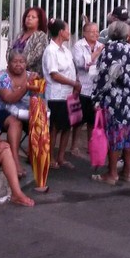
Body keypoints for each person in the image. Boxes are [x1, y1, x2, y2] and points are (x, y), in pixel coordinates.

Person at [91, 21, 130, 184]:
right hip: (129, 99)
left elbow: (102, 76)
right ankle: (127, 172)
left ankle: (112, 174)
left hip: (113, 99)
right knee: (127, 133)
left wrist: (96, 97)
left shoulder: (109, 50)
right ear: (126, 34)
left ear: (111, 34)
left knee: (113, 135)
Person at [0, 50, 39, 178]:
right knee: (15, 122)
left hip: (23, 111)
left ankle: (36, 157)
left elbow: (35, 97)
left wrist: (35, 86)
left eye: (22, 62)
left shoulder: (30, 75)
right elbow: (9, 98)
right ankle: (15, 162)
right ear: (8, 63)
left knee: (40, 120)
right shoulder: (2, 77)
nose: (19, 65)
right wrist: (27, 86)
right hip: (0, 110)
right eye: (15, 62)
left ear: (26, 63)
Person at [43, 18, 81, 169]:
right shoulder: (50, 51)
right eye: (67, 29)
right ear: (60, 32)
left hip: (69, 94)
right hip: (56, 95)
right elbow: (54, 75)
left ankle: (61, 157)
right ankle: (51, 157)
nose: (69, 32)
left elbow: (71, 70)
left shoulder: (66, 50)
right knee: (55, 127)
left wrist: (75, 83)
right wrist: (74, 83)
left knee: (67, 126)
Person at [72, 21, 104, 154]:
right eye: (92, 31)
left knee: (92, 119)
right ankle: (74, 146)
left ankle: (91, 145)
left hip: (95, 88)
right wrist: (96, 52)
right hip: (82, 87)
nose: (96, 34)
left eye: (97, 31)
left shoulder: (101, 46)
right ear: (84, 33)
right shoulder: (79, 46)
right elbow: (82, 64)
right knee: (79, 121)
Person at [6, 7, 48, 75]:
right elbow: (9, 50)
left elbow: (33, 57)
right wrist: (11, 64)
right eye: (28, 16)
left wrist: (16, 65)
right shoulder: (20, 34)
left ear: (39, 21)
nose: (29, 18)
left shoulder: (41, 37)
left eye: (33, 17)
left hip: (31, 76)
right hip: (13, 73)